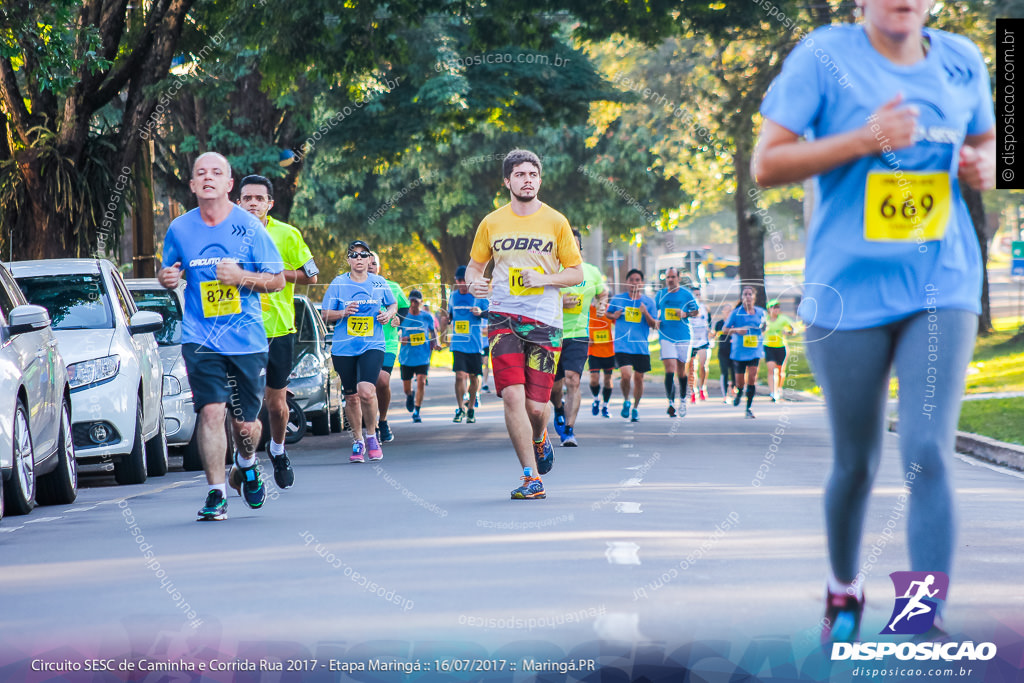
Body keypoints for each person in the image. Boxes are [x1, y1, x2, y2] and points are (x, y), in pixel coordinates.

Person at [752, 0, 995, 643]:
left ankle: (920, 615)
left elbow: (990, 146)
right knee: (856, 462)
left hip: (942, 281)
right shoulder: (822, 56)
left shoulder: (965, 59)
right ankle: (842, 584)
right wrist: (866, 138)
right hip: (846, 292)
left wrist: (987, 167)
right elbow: (767, 163)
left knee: (926, 453)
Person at [158, 152, 285, 521]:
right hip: (200, 337)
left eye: (217, 173)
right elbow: (169, 271)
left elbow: (276, 280)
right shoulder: (179, 229)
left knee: (245, 425)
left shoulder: (249, 228)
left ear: (230, 184)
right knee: (211, 411)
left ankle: (246, 463)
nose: (208, 177)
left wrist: (241, 278)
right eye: (201, 173)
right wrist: (166, 279)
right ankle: (216, 493)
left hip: (245, 340)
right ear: (193, 185)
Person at [466, 148, 583, 500]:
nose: (527, 180)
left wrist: (544, 279)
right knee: (512, 396)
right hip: (503, 316)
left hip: (545, 321)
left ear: (540, 180)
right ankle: (531, 476)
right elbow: (474, 267)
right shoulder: (492, 222)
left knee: (536, 407)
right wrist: (474, 283)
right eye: (519, 175)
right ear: (507, 181)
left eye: (532, 174)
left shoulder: (556, 221)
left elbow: (575, 273)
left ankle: (540, 435)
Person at [236, 174, 318, 490]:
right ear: (238, 202)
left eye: (260, 198)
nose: (253, 203)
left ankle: (277, 450)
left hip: (279, 329)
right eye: (247, 198)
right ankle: (242, 459)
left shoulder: (287, 234)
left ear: (270, 203)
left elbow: (311, 275)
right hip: (240, 331)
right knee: (242, 405)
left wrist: (275, 272)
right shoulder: (226, 234)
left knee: (276, 405)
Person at [321, 240, 398, 463]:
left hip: (372, 344)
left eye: (363, 255)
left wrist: (388, 314)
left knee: (366, 391)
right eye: (354, 255)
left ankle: (372, 436)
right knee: (352, 397)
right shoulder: (338, 283)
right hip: (344, 347)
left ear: (369, 259)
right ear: (348, 260)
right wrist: (343, 312)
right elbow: (325, 313)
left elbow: (392, 305)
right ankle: (357, 440)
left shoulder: (379, 282)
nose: (359, 259)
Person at [550, 229, 607, 446]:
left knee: (573, 379)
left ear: (579, 247)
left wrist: (601, 305)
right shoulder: (553, 271)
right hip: (552, 333)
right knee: (555, 387)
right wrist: (559, 303)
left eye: (574, 244)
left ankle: (569, 430)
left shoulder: (591, 272)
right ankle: (558, 409)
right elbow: (537, 299)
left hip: (578, 334)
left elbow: (602, 293)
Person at [606, 268, 658, 422]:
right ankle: (626, 400)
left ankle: (635, 407)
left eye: (637, 280)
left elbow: (655, 325)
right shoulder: (617, 299)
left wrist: (645, 313)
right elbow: (608, 313)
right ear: (626, 282)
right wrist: (613, 316)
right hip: (623, 345)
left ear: (642, 283)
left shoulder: (649, 302)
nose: (634, 283)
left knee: (639, 379)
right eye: (631, 280)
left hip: (641, 346)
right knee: (626, 375)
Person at [368, 252, 409, 442]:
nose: (370, 266)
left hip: (388, 342)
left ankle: (382, 420)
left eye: (374, 263)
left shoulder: (391, 286)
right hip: (363, 343)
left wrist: (399, 319)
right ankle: (370, 427)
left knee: (382, 381)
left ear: (379, 266)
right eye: (367, 263)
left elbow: (404, 306)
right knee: (366, 387)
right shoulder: (352, 287)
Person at [442, 265, 489, 423]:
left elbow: (492, 313)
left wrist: (480, 313)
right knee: (460, 375)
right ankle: (460, 407)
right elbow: (450, 314)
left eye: (464, 280)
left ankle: (470, 409)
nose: (461, 283)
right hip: (458, 344)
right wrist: (446, 319)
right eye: (459, 280)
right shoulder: (453, 296)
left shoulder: (478, 296)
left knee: (474, 378)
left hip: (475, 344)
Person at [654, 267, 699, 417]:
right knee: (670, 367)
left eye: (673, 277)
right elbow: (654, 312)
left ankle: (683, 401)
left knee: (681, 369)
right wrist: (656, 321)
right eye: (668, 277)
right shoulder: (661, 294)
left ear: (678, 278)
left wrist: (685, 313)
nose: (670, 280)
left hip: (683, 336)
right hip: (666, 335)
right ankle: (671, 403)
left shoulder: (686, 294)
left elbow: (696, 311)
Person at [721, 285, 766, 419]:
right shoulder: (736, 313)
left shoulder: (760, 312)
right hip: (739, 351)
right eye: (745, 294)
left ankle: (749, 408)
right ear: (742, 297)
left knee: (752, 377)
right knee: (740, 382)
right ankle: (740, 392)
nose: (747, 297)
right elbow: (724, 329)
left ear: (754, 297)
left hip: (754, 349)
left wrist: (764, 327)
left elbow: (764, 327)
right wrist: (736, 330)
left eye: (750, 294)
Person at [399, 290, 439, 423]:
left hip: (423, 356)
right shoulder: (404, 317)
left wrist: (436, 343)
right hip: (406, 357)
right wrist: (401, 338)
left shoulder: (427, 317)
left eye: (416, 301)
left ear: (421, 302)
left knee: (421, 381)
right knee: (406, 388)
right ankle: (409, 395)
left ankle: (417, 410)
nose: (413, 303)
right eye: (411, 301)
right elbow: (396, 333)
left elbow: (433, 331)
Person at [587, 300, 616, 418]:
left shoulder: (609, 309)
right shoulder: (588, 309)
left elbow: (618, 323)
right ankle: (596, 399)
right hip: (593, 350)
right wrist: (586, 337)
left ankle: (605, 405)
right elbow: (579, 324)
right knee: (594, 379)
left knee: (608, 381)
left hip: (609, 351)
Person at [763, 299, 797, 402]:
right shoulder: (765, 319)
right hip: (768, 346)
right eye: (774, 307)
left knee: (780, 371)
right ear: (769, 309)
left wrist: (788, 332)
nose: (776, 309)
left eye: (778, 307)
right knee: (772, 369)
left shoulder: (783, 319)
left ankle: (779, 389)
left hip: (781, 346)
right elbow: (759, 330)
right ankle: (773, 393)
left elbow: (794, 330)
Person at [686, 284, 713, 403]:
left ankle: (702, 387)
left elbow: (709, 323)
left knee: (703, 365)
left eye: (698, 294)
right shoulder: (686, 309)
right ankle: (693, 391)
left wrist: (710, 332)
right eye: (694, 295)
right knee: (692, 368)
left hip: (703, 340)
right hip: (691, 341)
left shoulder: (705, 308)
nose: (697, 297)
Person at [714, 302, 738, 403]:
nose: (728, 312)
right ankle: (725, 395)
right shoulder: (719, 324)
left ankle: (733, 390)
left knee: (734, 372)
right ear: (723, 311)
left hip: (734, 351)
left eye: (730, 311)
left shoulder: (735, 323)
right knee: (724, 372)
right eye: (726, 310)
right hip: (723, 351)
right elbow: (715, 335)